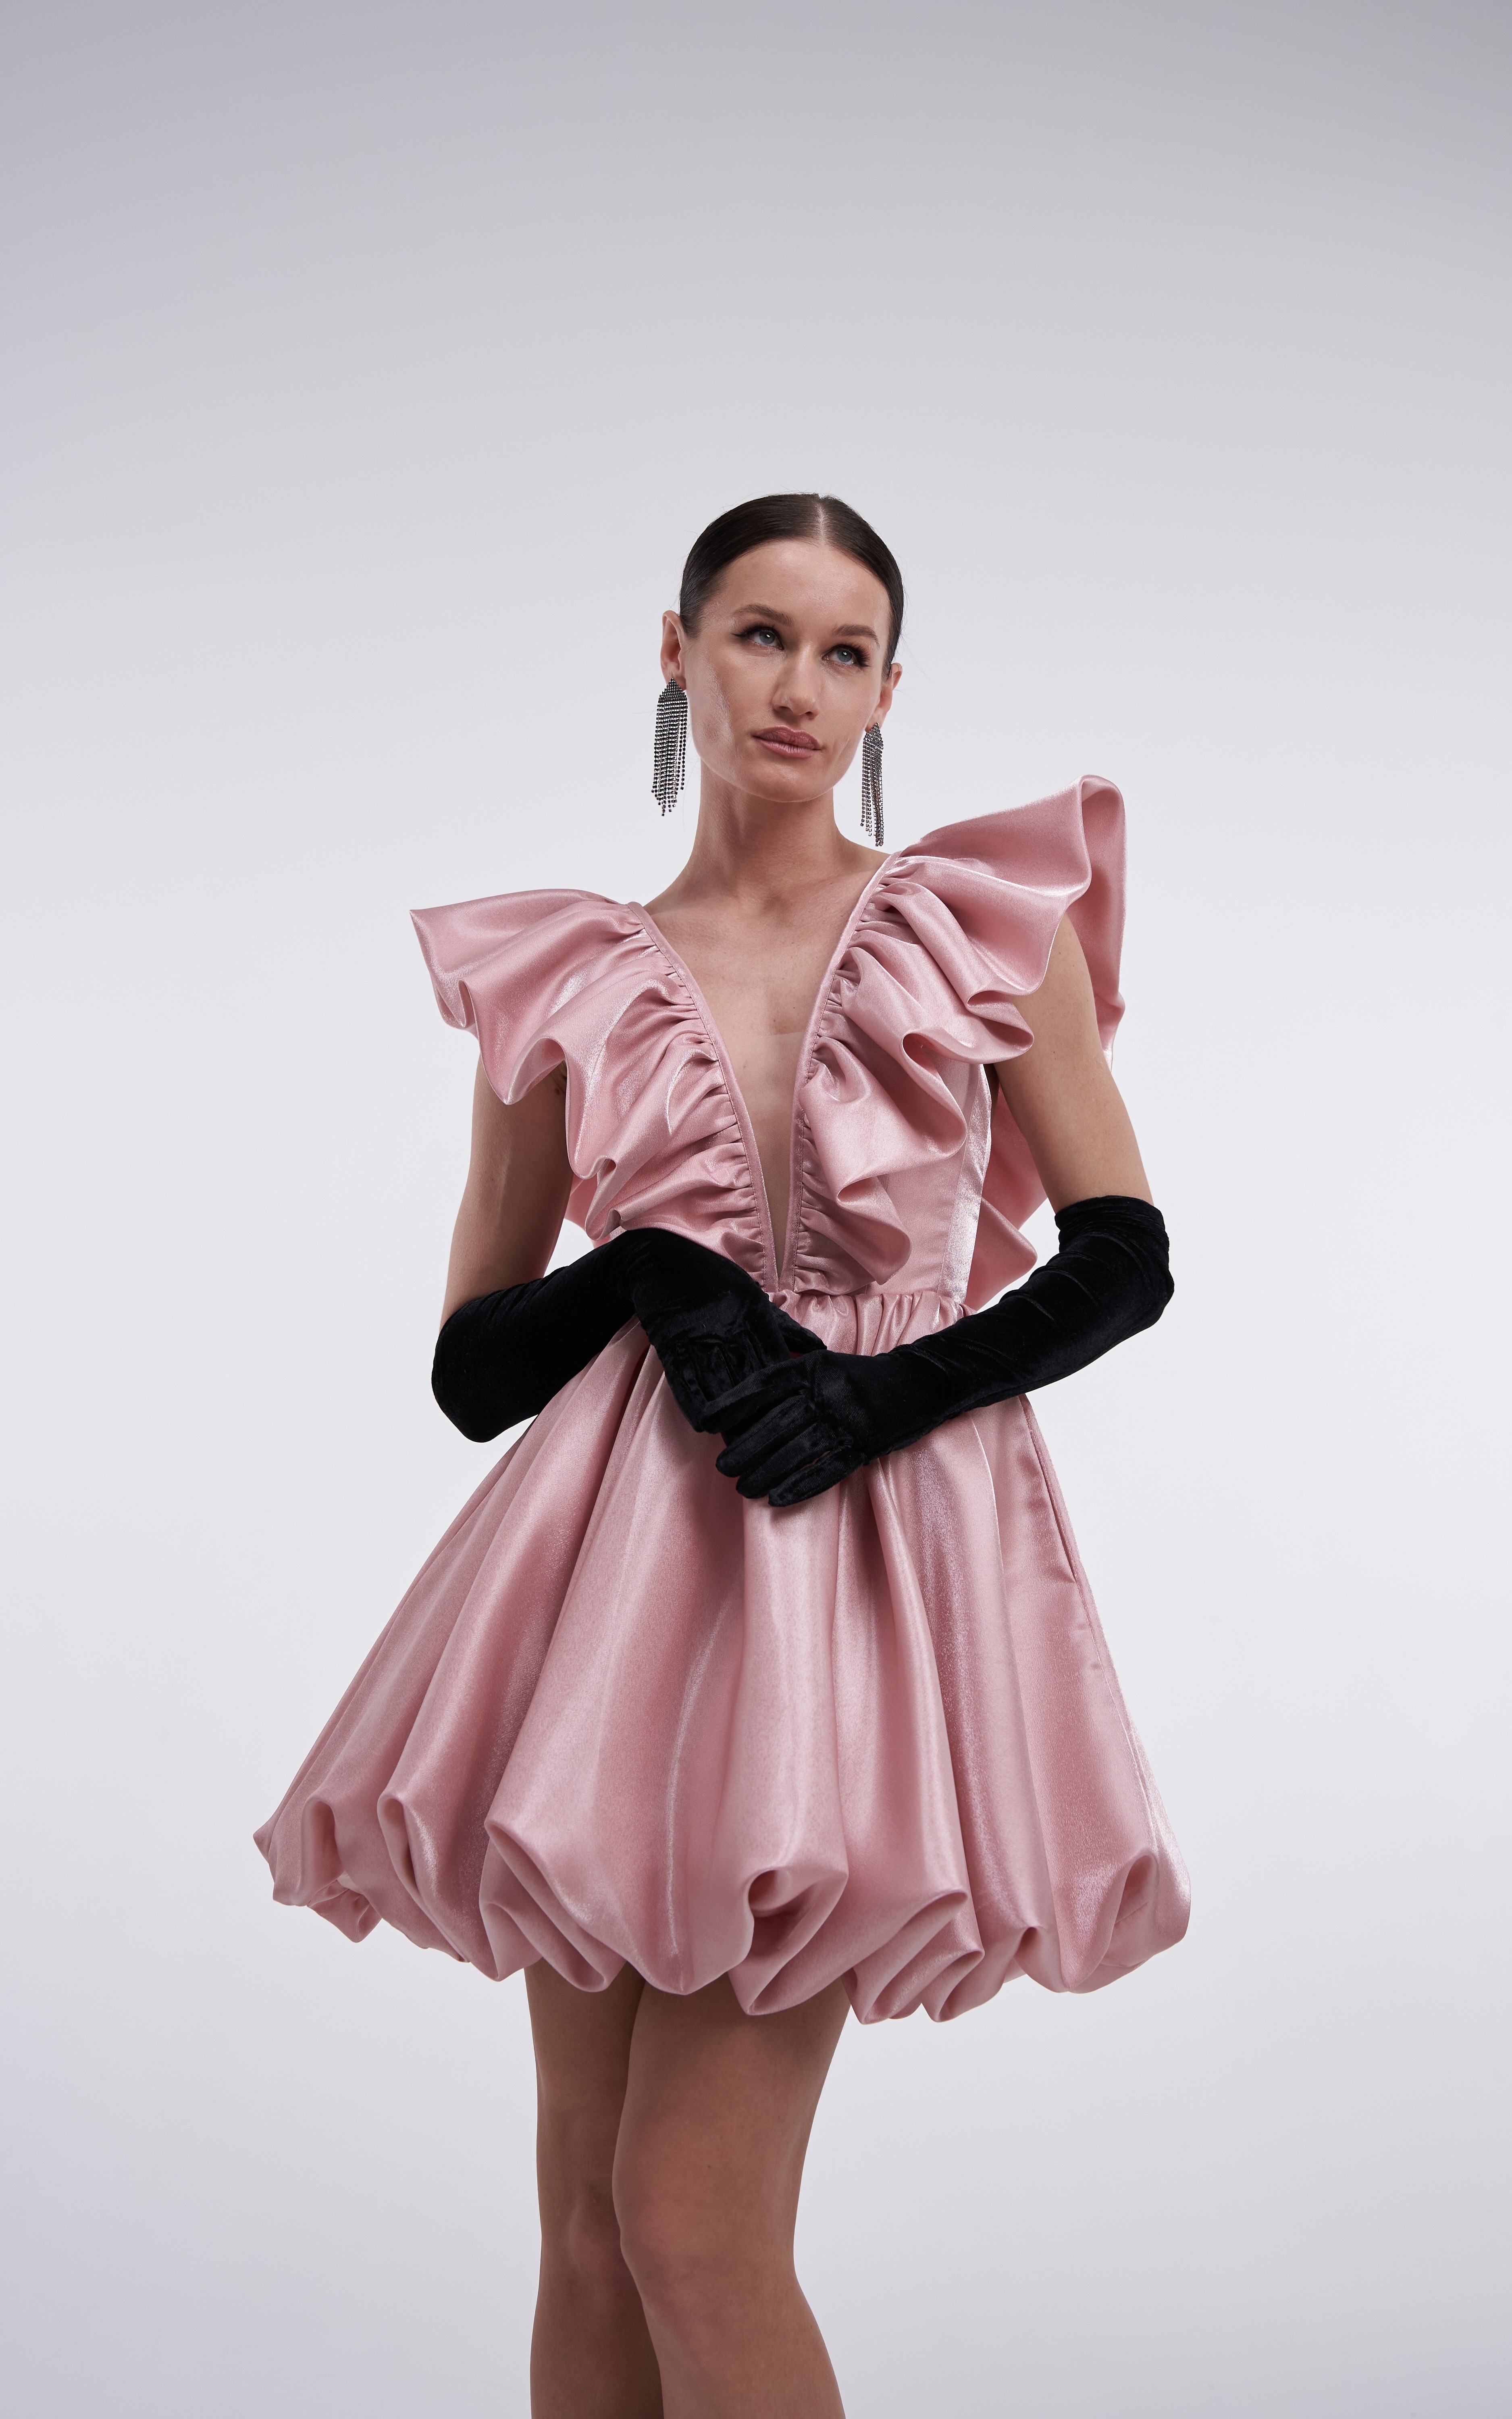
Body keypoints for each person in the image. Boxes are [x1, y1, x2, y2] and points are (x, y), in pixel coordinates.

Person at [256, 492, 1189, 2417]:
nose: (800, 688)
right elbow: (472, 1367)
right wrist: (647, 1268)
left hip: (854, 1572)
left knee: (691, 2222)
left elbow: (1123, 1256)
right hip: (609, 1596)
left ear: (891, 690)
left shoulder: (973, 927)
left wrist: (874, 1399)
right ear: (674, 649)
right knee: (591, 2230)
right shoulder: (571, 973)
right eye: (761, 635)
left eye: (847, 654)